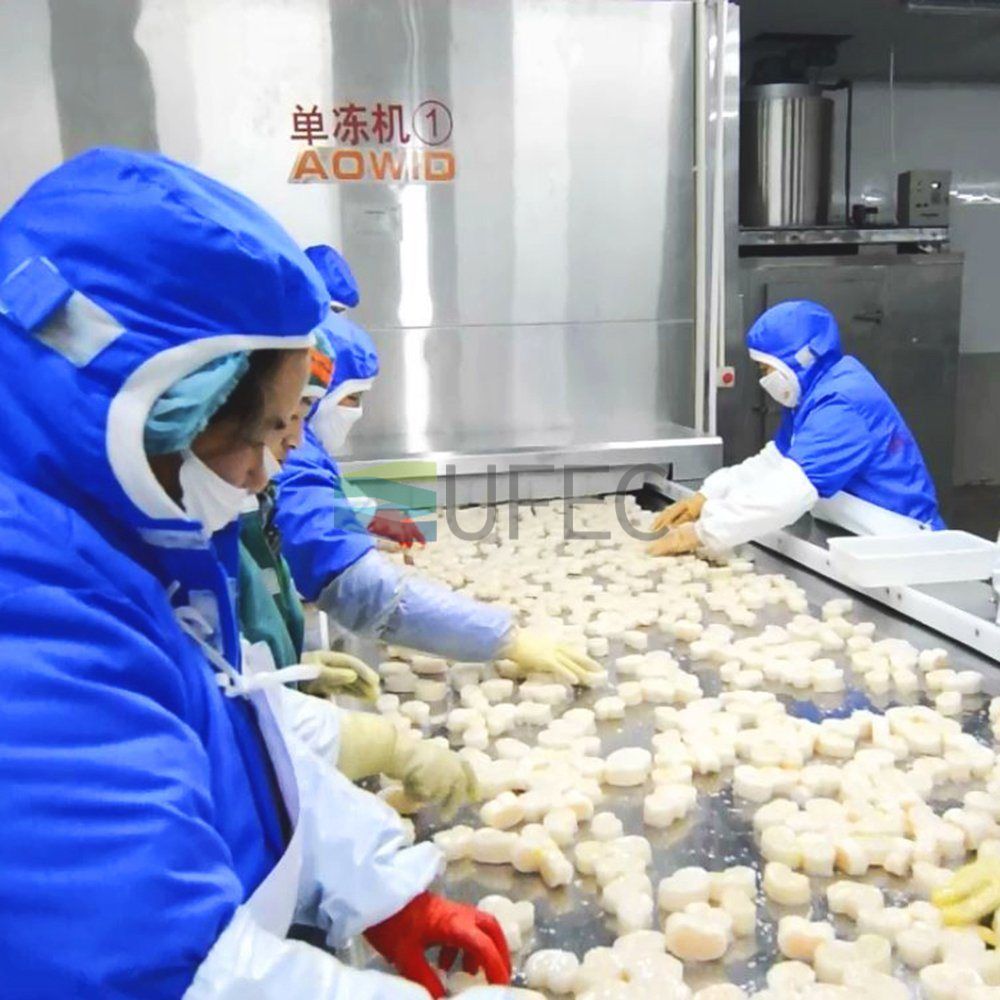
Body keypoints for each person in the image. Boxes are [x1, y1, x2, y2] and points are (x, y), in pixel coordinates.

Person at [0, 148, 510, 1000]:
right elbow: (155, 974)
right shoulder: (28, 607)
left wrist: (377, 889)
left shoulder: (117, 541)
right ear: (160, 408)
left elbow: (231, 746)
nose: (271, 471)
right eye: (269, 431)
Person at [275, 308, 602, 684]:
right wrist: (505, 638)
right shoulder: (287, 452)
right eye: (353, 399)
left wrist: (368, 514)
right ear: (318, 393)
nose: (358, 412)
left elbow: (318, 500)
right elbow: (362, 589)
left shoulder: (297, 444)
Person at [237, 325, 478, 815]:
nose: (294, 438)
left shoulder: (248, 478)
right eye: (284, 420)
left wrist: (284, 674)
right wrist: (497, 636)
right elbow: (348, 575)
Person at [650, 299, 944, 557]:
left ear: (801, 359)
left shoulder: (844, 402)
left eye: (767, 369)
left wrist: (702, 533)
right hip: (854, 535)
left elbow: (790, 491)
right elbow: (774, 462)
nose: (764, 380)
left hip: (899, 544)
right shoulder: (812, 394)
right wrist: (709, 495)